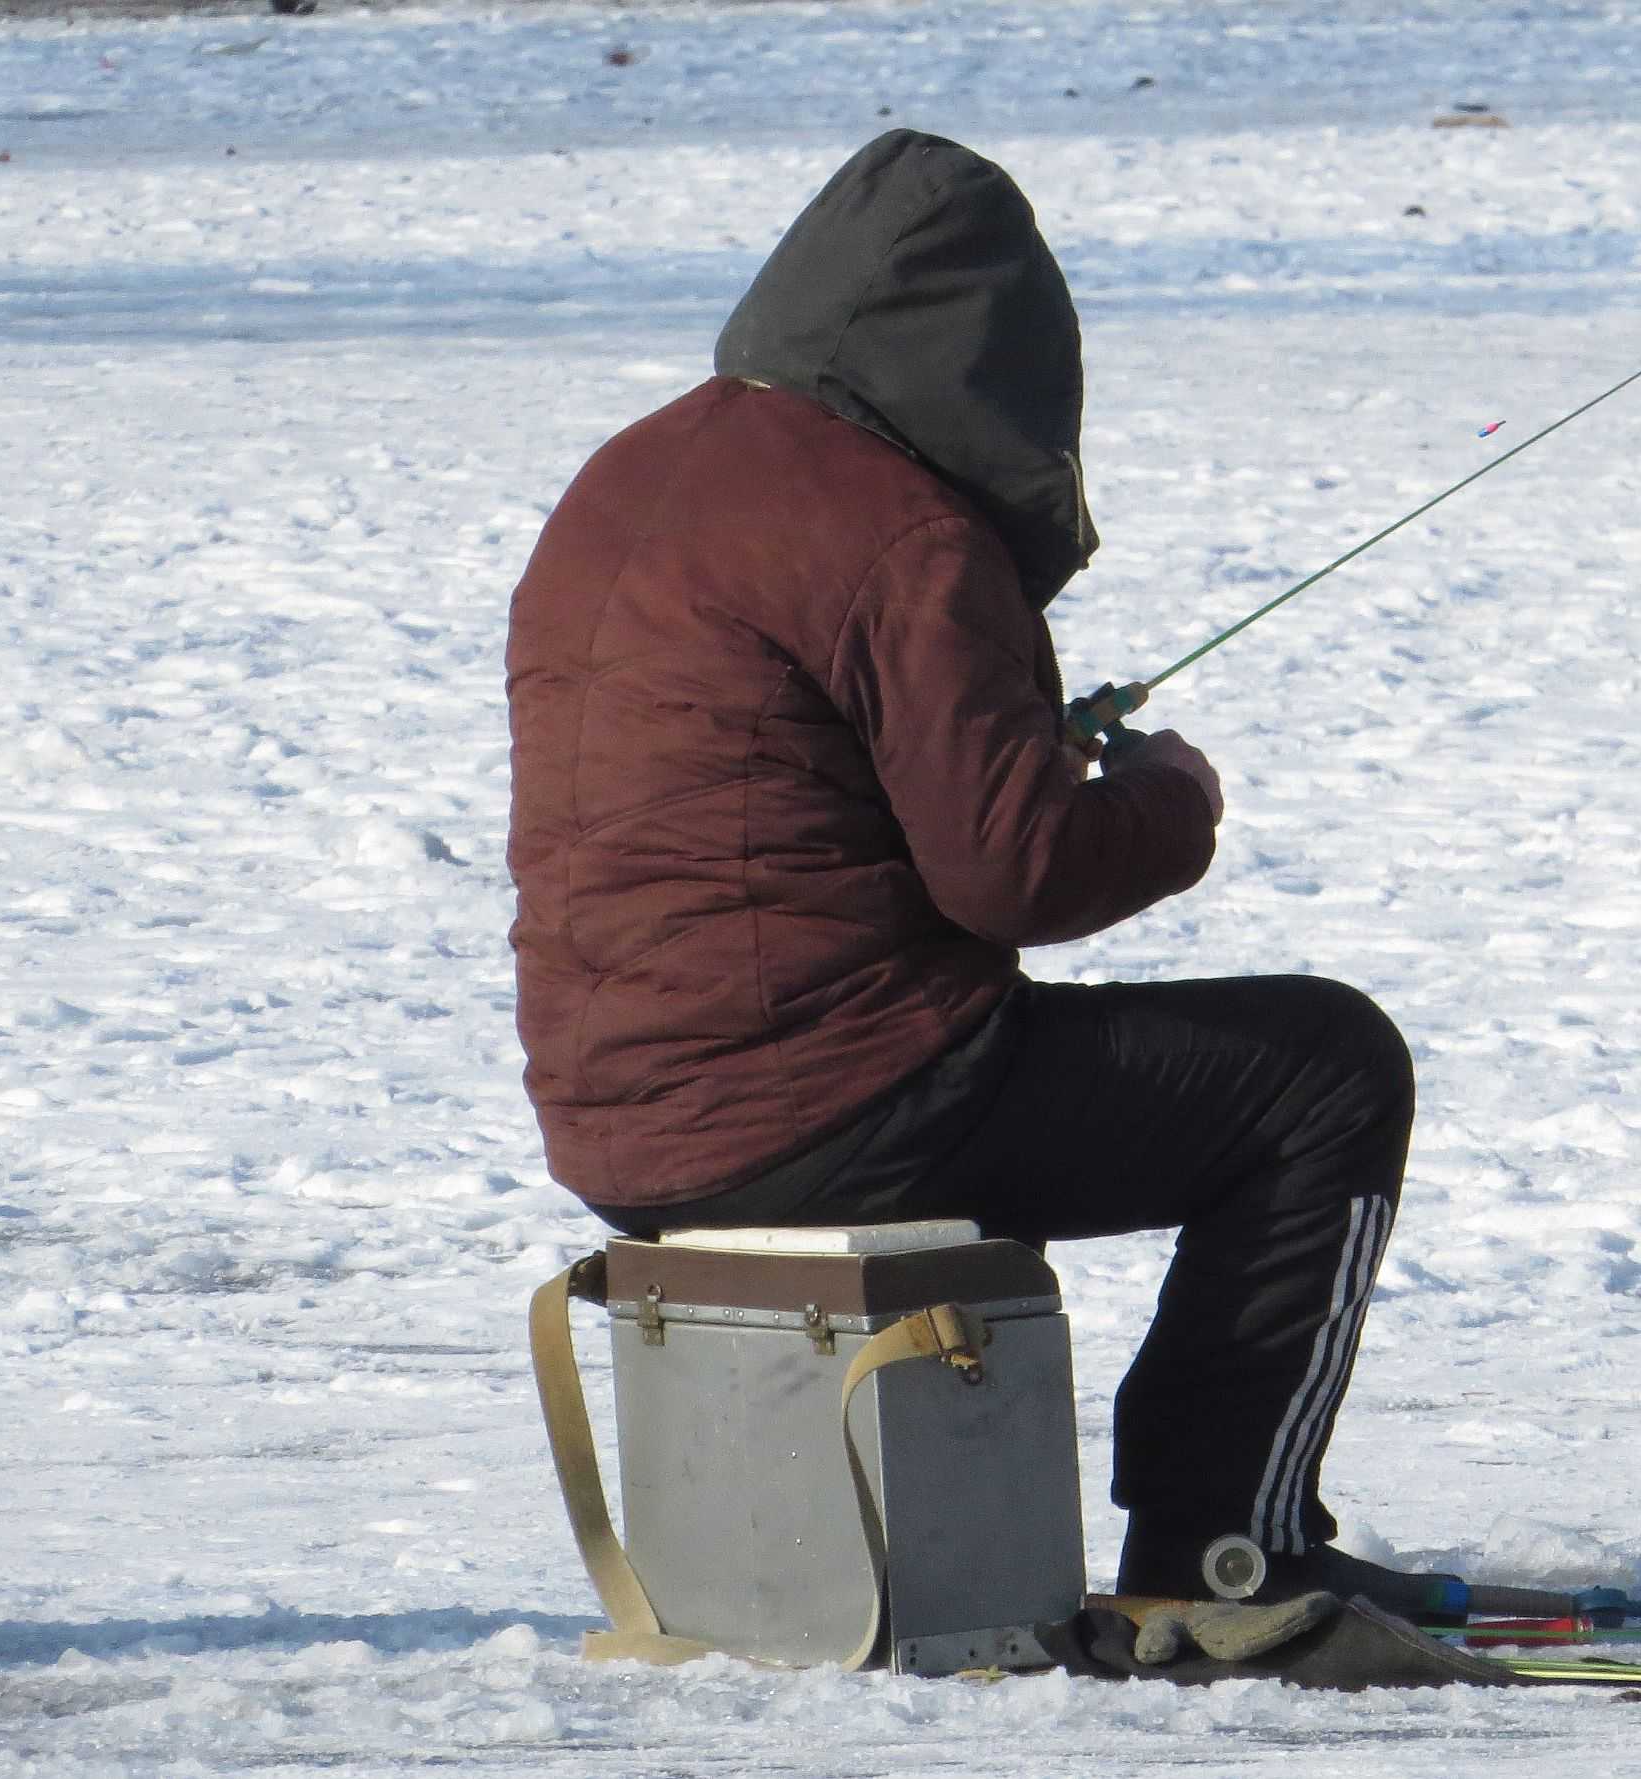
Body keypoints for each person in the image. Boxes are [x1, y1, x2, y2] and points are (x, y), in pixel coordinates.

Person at [505, 130, 1419, 1608]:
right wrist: (1170, 802)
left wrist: (998, 736)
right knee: (1322, 1065)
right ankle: (1225, 1543)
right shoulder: (896, 523)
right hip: (830, 1102)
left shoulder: (640, 471)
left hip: (619, 1107)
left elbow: (767, 775)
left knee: (1266, 1063)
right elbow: (1015, 878)